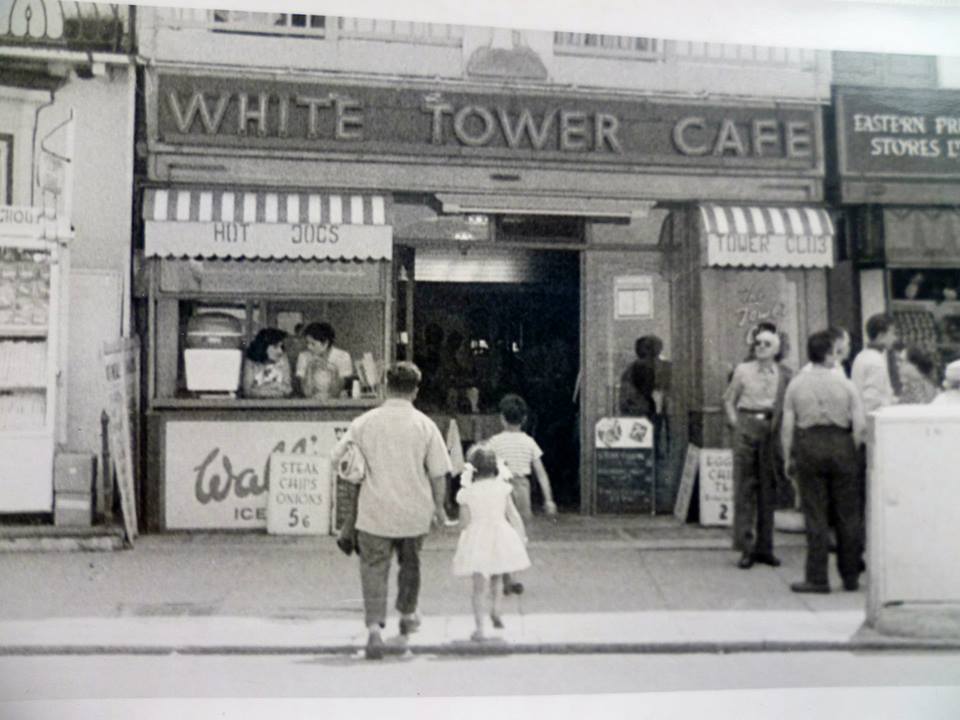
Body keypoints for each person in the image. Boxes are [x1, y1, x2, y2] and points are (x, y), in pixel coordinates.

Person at [328, 362, 452, 660]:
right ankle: (408, 615)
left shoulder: (364, 422)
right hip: (414, 513)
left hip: (374, 512)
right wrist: (439, 509)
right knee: (411, 566)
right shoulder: (425, 425)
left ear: (385, 386)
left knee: (373, 568)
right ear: (416, 390)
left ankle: (374, 630)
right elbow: (438, 473)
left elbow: (336, 458)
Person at [781, 330, 866, 594]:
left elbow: (787, 425)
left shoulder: (796, 384)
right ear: (830, 354)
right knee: (847, 514)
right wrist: (850, 448)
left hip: (810, 444)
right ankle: (850, 575)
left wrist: (787, 456)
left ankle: (817, 578)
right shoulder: (846, 384)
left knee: (815, 514)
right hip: (841, 443)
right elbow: (860, 426)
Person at [723, 328, 793, 570]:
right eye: (758, 343)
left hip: (771, 429)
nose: (761, 346)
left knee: (768, 489)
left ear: (776, 349)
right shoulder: (743, 371)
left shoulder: (784, 374)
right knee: (745, 488)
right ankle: (746, 548)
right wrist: (736, 424)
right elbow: (729, 400)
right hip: (747, 424)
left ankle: (766, 548)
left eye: (767, 344)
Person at [452, 444, 530, 641]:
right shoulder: (503, 488)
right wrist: (521, 536)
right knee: (496, 576)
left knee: (479, 587)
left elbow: (464, 523)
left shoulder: (467, 492)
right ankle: (496, 610)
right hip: (500, 534)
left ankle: (479, 629)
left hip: (478, 538)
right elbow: (513, 515)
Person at [486, 393, 557, 595]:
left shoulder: (494, 442)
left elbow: (486, 469)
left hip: (499, 488)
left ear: (501, 418)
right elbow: (541, 474)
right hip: (522, 488)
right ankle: (511, 577)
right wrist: (549, 499)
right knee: (518, 534)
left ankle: (504, 576)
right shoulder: (529, 442)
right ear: (524, 419)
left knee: (499, 531)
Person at [851, 314, 900, 414]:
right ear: (881, 335)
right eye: (893, 333)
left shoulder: (861, 355)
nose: (895, 338)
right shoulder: (875, 361)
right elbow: (872, 399)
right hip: (872, 418)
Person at [296, 322, 353, 399]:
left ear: (325, 343)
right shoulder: (303, 356)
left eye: (313, 344)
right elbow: (307, 392)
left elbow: (336, 392)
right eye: (307, 343)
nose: (308, 347)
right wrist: (310, 369)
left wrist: (333, 372)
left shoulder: (343, 356)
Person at [241, 328, 293, 398]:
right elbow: (247, 391)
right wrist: (275, 387)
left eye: (281, 347)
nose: (280, 351)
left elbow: (288, 390)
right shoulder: (251, 362)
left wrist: (271, 386)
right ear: (263, 346)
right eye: (275, 347)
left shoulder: (283, 360)